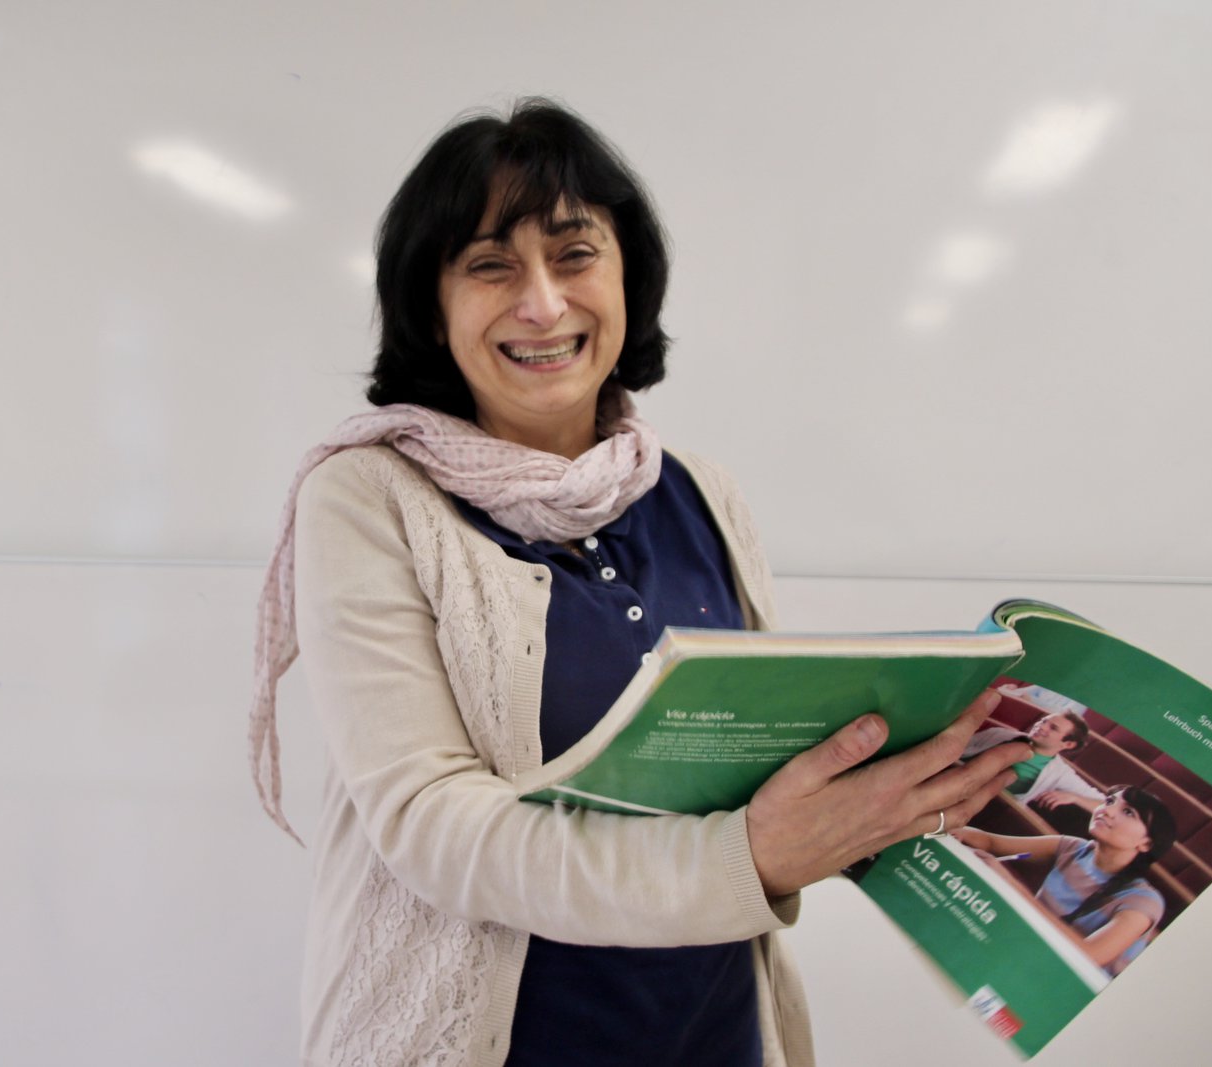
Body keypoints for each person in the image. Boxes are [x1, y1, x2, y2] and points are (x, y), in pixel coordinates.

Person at [248, 99, 1031, 1067]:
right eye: (491, 265)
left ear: (628, 276)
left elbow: (756, 771)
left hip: (712, 1033)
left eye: (574, 255)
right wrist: (750, 855)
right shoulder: (368, 496)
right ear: (432, 302)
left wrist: (897, 792)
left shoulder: (700, 490)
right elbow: (430, 824)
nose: (542, 303)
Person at [952, 786, 1177, 977]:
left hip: (1066, 985)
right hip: (1028, 953)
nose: (1107, 811)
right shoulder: (1074, 848)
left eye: (1128, 812)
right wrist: (955, 830)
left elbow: (1088, 956)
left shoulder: (1144, 901)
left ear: (1146, 844)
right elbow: (991, 843)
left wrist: (1011, 885)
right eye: (1109, 801)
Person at [963, 708, 1103, 813]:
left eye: (1053, 728)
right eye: (1043, 721)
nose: (1041, 726)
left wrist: (1075, 798)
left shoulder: (1060, 774)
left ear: (1068, 744)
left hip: (987, 808)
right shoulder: (999, 734)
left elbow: (1103, 803)